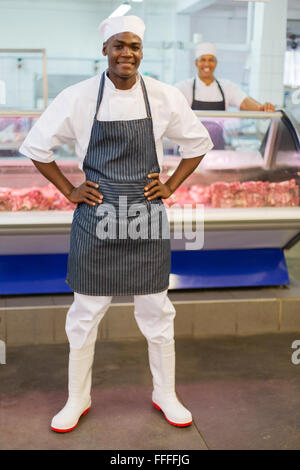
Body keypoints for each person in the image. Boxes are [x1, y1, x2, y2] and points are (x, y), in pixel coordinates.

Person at [19, 15, 213, 433]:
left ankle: (166, 394)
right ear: (104, 49)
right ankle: (77, 398)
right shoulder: (78, 97)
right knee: (85, 312)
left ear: (142, 51)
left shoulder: (162, 96)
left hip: (145, 215)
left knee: (158, 311)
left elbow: (198, 143)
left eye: (135, 46)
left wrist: (172, 184)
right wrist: (70, 190)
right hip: (97, 215)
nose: (128, 53)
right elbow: (36, 147)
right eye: (119, 46)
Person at [175, 42, 276, 112]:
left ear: (216, 63)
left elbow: (244, 102)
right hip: (192, 142)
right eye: (203, 60)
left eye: (211, 60)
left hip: (218, 142)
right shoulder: (184, 87)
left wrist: (262, 107)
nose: (207, 64)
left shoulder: (226, 86)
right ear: (196, 63)